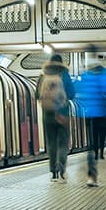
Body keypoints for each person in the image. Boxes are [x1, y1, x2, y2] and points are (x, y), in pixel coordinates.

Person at [73, 47, 106, 187]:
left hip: (88, 115)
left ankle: (91, 176)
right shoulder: (104, 75)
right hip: (102, 114)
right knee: (99, 142)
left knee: (92, 145)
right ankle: (96, 163)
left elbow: (77, 91)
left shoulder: (85, 76)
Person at [35, 54, 75, 183]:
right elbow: (71, 93)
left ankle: (53, 173)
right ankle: (61, 168)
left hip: (47, 114)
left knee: (51, 143)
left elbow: (37, 94)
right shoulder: (64, 74)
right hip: (62, 113)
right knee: (63, 143)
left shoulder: (43, 75)